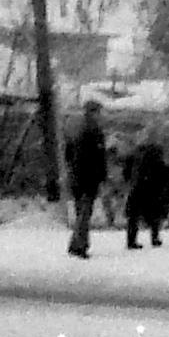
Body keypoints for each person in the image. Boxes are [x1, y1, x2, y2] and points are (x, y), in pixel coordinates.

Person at [62, 98, 111, 258]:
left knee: (80, 213)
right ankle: (79, 245)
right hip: (88, 178)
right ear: (93, 113)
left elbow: (68, 154)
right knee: (84, 213)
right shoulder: (93, 132)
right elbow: (98, 158)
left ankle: (77, 244)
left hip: (76, 177)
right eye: (99, 112)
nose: (101, 115)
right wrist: (102, 176)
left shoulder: (76, 130)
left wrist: (71, 170)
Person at [121, 130, 169, 249]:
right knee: (154, 214)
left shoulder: (136, 153)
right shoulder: (158, 153)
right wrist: (165, 184)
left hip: (137, 186)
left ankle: (131, 240)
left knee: (133, 216)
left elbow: (127, 169)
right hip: (152, 188)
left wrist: (129, 179)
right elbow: (165, 171)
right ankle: (154, 238)